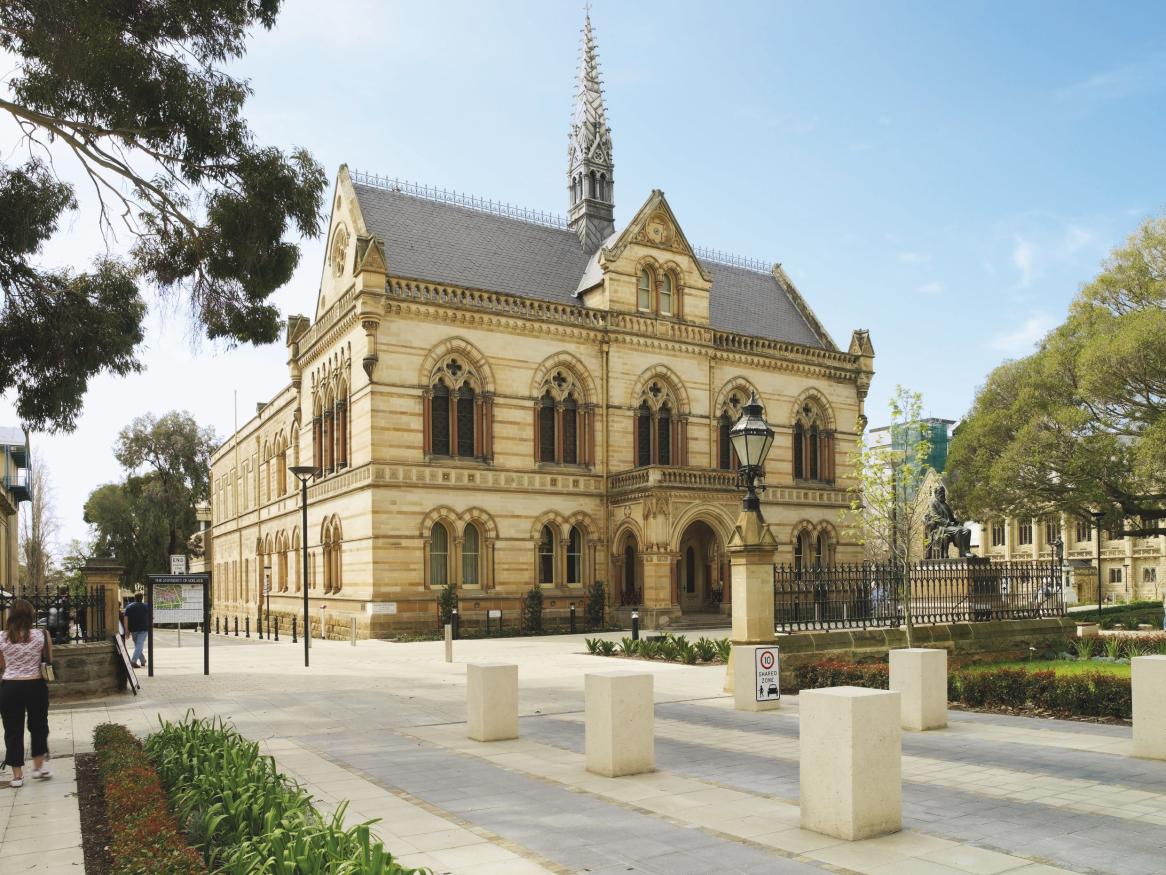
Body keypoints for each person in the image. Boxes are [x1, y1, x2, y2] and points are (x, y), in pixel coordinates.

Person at [0, 599, 52, 787]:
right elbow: (48, 660)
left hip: (10, 687)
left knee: (12, 730)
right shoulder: (41, 635)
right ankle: (38, 767)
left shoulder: (2, 637)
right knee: (39, 725)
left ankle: (17, 776)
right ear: (31, 615)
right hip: (35, 685)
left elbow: (2, 665)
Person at [123, 592, 151, 668]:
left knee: (138, 645)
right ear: (142, 598)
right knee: (139, 645)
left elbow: (125, 619)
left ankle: (143, 660)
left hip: (133, 629)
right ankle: (133, 661)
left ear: (135, 598)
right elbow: (151, 617)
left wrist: (126, 630)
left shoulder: (129, 607)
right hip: (144, 628)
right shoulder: (147, 606)